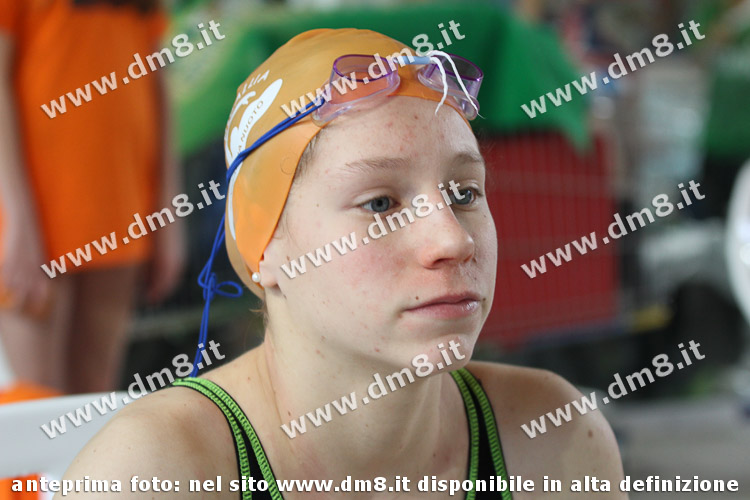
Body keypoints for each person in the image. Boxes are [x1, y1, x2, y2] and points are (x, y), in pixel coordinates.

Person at [59, 28, 625, 499]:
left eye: (464, 193)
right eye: (380, 204)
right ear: (265, 246)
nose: (452, 240)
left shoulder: (552, 440)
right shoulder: (156, 473)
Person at [0, 0, 185, 393]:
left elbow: (155, 78)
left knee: (94, 403)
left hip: (120, 203)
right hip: (36, 214)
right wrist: (16, 218)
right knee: (38, 404)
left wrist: (168, 209)